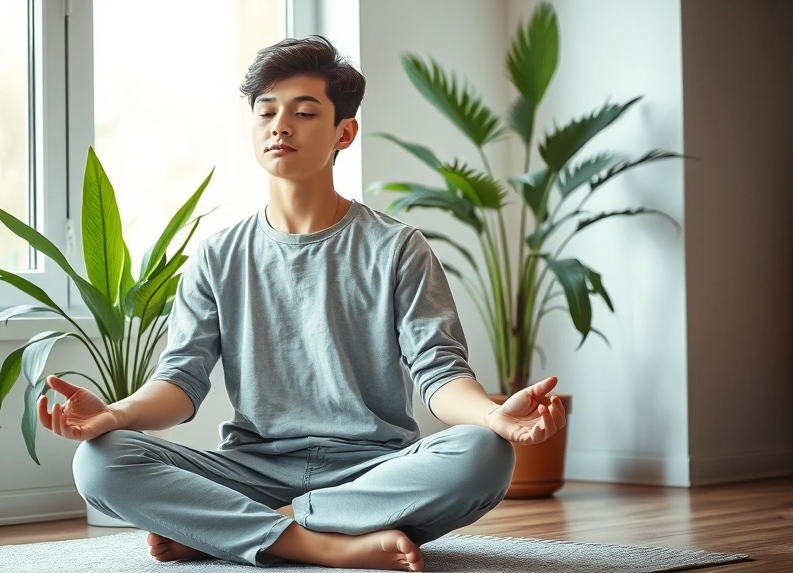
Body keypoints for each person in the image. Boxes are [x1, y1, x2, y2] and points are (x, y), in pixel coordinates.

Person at [38, 35, 566, 572]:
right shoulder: (218, 254)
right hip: (250, 470)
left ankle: (241, 529)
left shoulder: (397, 247)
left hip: (373, 472)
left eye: (303, 112)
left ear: (345, 132)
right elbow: (180, 383)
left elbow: (441, 375)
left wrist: (494, 416)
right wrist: (114, 414)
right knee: (101, 461)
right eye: (265, 111)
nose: (279, 125)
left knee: (483, 454)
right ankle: (321, 542)